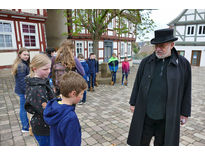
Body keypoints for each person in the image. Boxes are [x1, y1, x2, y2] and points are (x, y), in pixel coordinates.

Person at [127, 28, 192, 146]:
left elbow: (187, 90)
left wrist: (185, 112)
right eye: (156, 46)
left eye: (162, 46)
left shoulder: (183, 64)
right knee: (140, 143)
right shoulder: (146, 62)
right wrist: (133, 102)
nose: (158, 49)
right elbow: (138, 83)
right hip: (146, 114)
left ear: (172, 45)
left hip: (167, 117)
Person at [43, 71, 87, 146]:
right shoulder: (70, 118)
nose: (82, 96)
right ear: (73, 93)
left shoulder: (54, 105)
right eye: (81, 94)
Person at [24, 54, 55, 146]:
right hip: (43, 127)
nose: (48, 71)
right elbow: (45, 110)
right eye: (45, 69)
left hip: (45, 125)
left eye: (49, 68)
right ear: (34, 68)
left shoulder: (42, 80)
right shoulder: (37, 88)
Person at [12, 47, 30, 132]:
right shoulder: (21, 66)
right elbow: (22, 81)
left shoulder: (22, 63)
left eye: (27, 54)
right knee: (23, 108)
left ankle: (26, 125)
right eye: (24, 54)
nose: (26, 56)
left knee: (24, 108)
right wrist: (26, 92)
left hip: (22, 90)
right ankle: (25, 127)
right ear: (19, 55)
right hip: (23, 91)